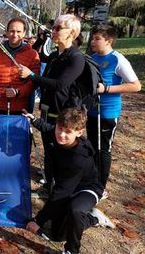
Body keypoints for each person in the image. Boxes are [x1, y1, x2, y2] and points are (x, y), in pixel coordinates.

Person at [24, 108, 115, 254]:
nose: (61, 134)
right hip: (68, 186)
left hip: (87, 188)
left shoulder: (78, 159)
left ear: (79, 132)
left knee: (75, 210)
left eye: (68, 132)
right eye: (60, 128)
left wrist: (38, 221)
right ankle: (89, 218)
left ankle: (74, 247)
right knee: (58, 234)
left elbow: (60, 193)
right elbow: (48, 128)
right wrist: (34, 120)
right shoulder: (56, 133)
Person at [19, 14, 85, 191]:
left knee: (60, 151)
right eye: (53, 28)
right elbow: (44, 73)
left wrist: (32, 76)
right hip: (47, 109)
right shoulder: (56, 54)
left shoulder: (76, 58)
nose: (53, 31)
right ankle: (49, 184)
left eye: (57, 28)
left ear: (72, 33)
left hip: (63, 112)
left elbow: (59, 84)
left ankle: (61, 189)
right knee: (49, 149)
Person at [87, 24, 141, 195]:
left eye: (97, 38)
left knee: (103, 149)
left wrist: (107, 89)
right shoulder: (92, 57)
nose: (93, 41)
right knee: (92, 147)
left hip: (108, 113)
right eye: (92, 38)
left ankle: (101, 188)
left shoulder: (118, 59)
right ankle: (91, 182)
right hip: (91, 111)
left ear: (109, 41)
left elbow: (136, 86)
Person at [0, 17, 40, 115]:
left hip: (20, 107)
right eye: (12, 31)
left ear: (24, 33)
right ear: (7, 32)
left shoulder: (32, 54)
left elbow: (34, 81)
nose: (15, 35)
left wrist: (18, 92)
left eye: (18, 31)